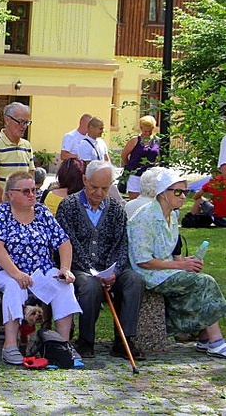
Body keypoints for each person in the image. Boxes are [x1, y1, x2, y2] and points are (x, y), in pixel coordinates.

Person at [0, 171, 81, 365]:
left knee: (64, 285)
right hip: (4, 270)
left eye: (35, 190)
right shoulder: (1, 212)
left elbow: (64, 243)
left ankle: (62, 345)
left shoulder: (43, 212)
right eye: (26, 191)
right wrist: (16, 273)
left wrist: (65, 268)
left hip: (40, 271)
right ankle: (10, 345)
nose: (32, 194)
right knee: (13, 286)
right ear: (11, 194)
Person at [128, 169, 226, 357]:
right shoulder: (146, 217)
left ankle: (205, 338)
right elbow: (143, 261)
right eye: (178, 192)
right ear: (163, 193)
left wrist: (187, 262)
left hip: (165, 270)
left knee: (199, 278)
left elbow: (170, 252)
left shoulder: (172, 215)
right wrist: (181, 266)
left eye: (186, 192)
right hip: (148, 275)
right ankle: (215, 340)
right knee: (204, 282)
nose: (183, 197)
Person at [55, 161, 146, 359]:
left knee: (134, 280)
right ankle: (86, 341)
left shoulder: (115, 209)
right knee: (90, 286)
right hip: (79, 268)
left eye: (104, 188)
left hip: (109, 268)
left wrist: (114, 272)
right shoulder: (68, 206)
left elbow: (121, 244)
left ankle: (124, 341)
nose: (99, 193)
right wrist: (92, 271)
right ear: (84, 180)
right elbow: (68, 243)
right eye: (94, 187)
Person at [0, 102, 35, 332]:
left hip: (19, 212)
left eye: (27, 122)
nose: (24, 127)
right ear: (7, 121)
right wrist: (9, 212)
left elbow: (29, 178)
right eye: (20, 122)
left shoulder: (27, 146)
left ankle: (12, 315)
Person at [120, 115, 160, 200]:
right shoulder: (135, 140)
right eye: (145, 131)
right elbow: (124, 156)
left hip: (150, 178)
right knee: (135, 202)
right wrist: (130, 167)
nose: (148, 134)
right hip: (135, 176)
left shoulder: (155, 141)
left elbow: (158, 157)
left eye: (150, 131)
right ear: (141, 128)